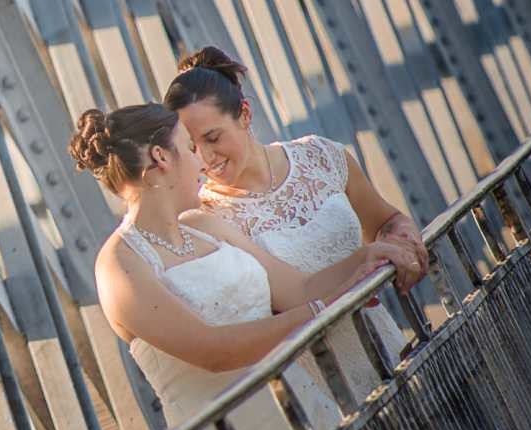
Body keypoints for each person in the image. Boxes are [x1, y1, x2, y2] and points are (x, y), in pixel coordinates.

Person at [71, 103, 422, 430]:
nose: (202, 160)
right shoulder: (120, 264)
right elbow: (213, 351)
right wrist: (314, 317)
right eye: (188, 146)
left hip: (310, 420)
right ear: (161, 158)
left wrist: (367, 258)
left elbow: (299, 291)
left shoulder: (204, 225)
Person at [165, 47, 430, 395]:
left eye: (213, 137)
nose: (205, 156)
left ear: (244, 115)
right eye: (191, 146)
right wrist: (369, 256)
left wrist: (405, 240)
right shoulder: (206, 217)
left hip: (390, 346)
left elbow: (386, 220)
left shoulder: (320, 155)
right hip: (316, 383)